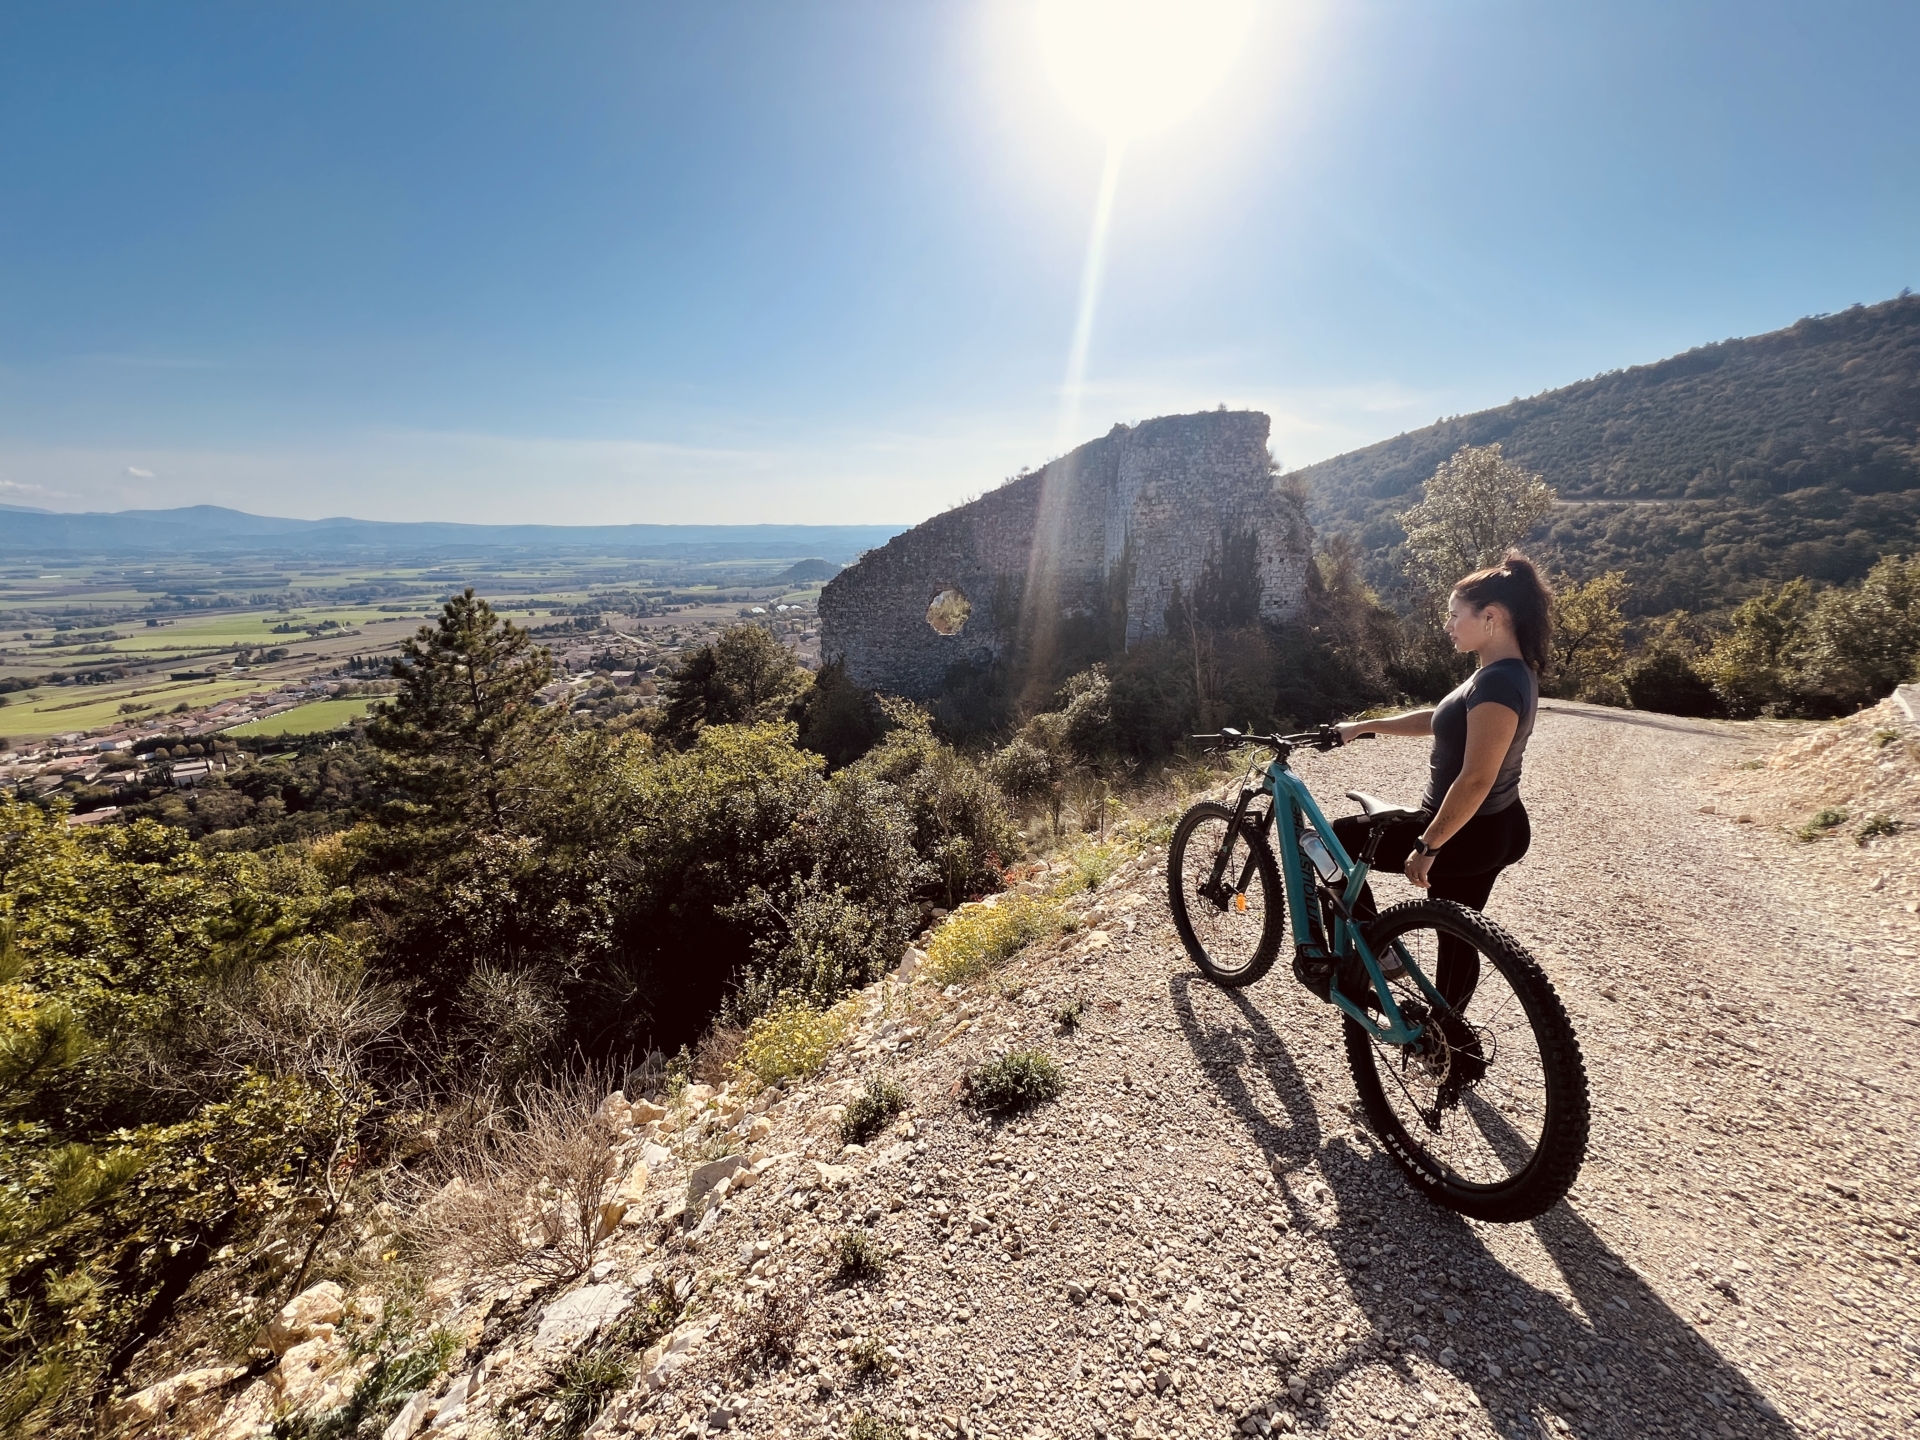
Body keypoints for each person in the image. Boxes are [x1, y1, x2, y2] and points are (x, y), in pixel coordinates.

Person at [1329, 551, 1551, 1007]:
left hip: (1470, 830)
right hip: (1496, 826)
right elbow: (1440, 718)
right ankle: (1451, 1042)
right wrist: (1366, 726)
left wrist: (1428, 845)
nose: (1447, 626)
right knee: (1459, 933)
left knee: (1328, 841)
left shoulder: (1496, 684)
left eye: (1454, 615)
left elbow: (1474, 779)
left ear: (1490, 617)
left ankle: (1379, 949)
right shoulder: (1504, 672)